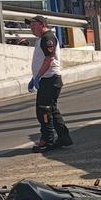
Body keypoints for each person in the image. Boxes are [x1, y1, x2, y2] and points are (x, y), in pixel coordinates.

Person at [26, 15, 73, 153]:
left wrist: (38, 77)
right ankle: (64, 137)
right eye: (30, 26)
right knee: (51, 110)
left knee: (44, 111)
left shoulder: (47, 38)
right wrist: (34, 77)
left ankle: (47, 140)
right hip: (47, 79)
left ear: (42, 24)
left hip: (50, 79)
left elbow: (49, 60)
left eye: (34, 25)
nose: (31, 28)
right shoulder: (41, 39)